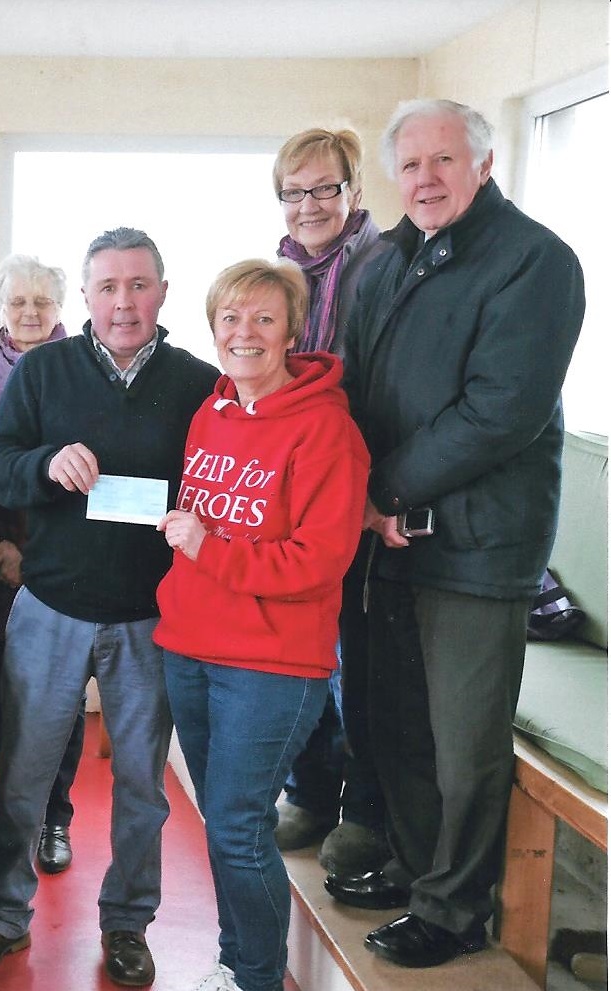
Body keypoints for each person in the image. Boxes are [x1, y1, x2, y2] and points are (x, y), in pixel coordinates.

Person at [327, 98, 585, 969]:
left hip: (476, 545)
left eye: (443, 161)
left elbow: (498, 412)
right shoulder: (387, 257)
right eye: (409, 165)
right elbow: (356, 388)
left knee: (465, 739)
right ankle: (414, 865)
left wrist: (380, 490)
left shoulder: (535, 261)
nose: (425, 179)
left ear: (482, 164)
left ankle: (455, 906)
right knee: (394, 717)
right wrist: (356, 496)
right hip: (388, 535)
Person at [0, 228, 217, 987]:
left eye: (137, 285)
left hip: (148, 617)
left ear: (162, 291)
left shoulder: (198, 382)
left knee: (141, 784)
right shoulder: (42, 372)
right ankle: (1, 914)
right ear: (86, 298)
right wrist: (44, 464)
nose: (122, 301)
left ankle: (127, 921)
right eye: (106, 287)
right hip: (50, 608)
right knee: (24, 775)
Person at [154, 259, 369, 991]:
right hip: (188, 647)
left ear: (291, 331)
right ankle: (234, 958)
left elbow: (316, 560)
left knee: (240, 826)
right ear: (212, 327)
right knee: (224, 824)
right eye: (230, 318)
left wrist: (210, 550)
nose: (243, 333)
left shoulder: (325, 428)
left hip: (271, 662)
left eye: (263, 319)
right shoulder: (207, 414)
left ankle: (255, 976)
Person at [270, 127, 389, 876]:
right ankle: (309, 793)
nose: (308, 204)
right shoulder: (277, 273)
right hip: (295, 481)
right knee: (300, 651)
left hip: (361, 480)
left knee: (356, 662)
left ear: (352, 191)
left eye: (324, 188)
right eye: (293, 191)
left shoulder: (381, 267)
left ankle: (364, 810)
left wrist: (373, 490)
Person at [0, 254, 83, 875]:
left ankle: (55, 819)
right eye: (19, 303)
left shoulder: (83, 375)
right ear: (1, 307)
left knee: (59, 698)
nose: (31, 313)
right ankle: (9, 819)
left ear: (61, 306)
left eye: (43, 302)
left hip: (61, 564)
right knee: (5, 699)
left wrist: (36, 554)